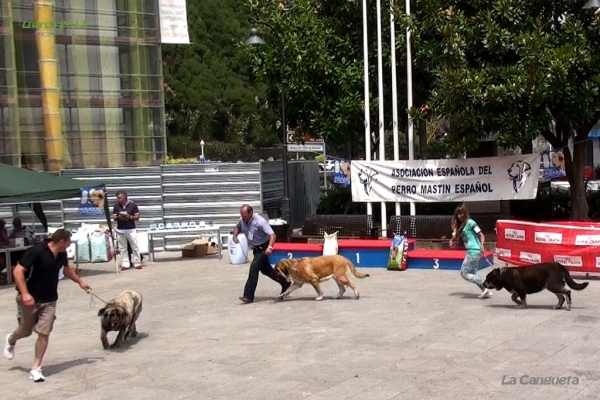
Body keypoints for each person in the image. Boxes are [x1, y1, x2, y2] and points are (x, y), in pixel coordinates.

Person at [3, 229, 91, 382]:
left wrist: (80, 282)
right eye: (69, 241)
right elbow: (18, 271)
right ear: (62, 241)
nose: (70, 244)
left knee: (44, 332)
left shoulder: (62, 254)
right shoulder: (36, 251)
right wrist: (25, 293)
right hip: (29, 299)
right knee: (25, 331)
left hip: (49, 300)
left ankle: (36, 368)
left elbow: (67, 269)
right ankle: (11, 339)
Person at [233, 204, 290, 303]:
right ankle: (285, 282)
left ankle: (248, 296)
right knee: (266, 270)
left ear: (250, 213)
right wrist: (235, 236)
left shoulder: (260, 221)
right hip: (256, 249)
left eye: (245, 216)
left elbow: (272, 235)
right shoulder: (242, 220)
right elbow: (238, 227)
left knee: (253, 269)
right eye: (242, 216)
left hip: (263, 248)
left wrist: (270, 247)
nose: (243, 218)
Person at [449, 204, 492, 299]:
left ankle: (484, 283)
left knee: (464, 273)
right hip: (472, 251)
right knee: (472, 274)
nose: (459, 216)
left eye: (461, 214)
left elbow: (481, 234)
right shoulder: (461, 226)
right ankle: (485, 291)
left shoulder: (471, 223)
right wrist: (452, 239)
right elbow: (455, 236)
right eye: (458, 214)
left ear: (465, 214)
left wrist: (482, 245)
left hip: (474, 251)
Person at [112, 190, 142, 271]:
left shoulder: (133, 205)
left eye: (120, 198)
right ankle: (125, 263)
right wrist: (119, 217)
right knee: (122, 248)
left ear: (124, 197)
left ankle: (137, 263)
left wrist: (130, 217)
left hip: (131, 229)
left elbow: (137, 217)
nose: (118, 199)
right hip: (121, 229)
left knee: (134, 246)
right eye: (117, 198)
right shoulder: (116, 206)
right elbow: (114, 217)